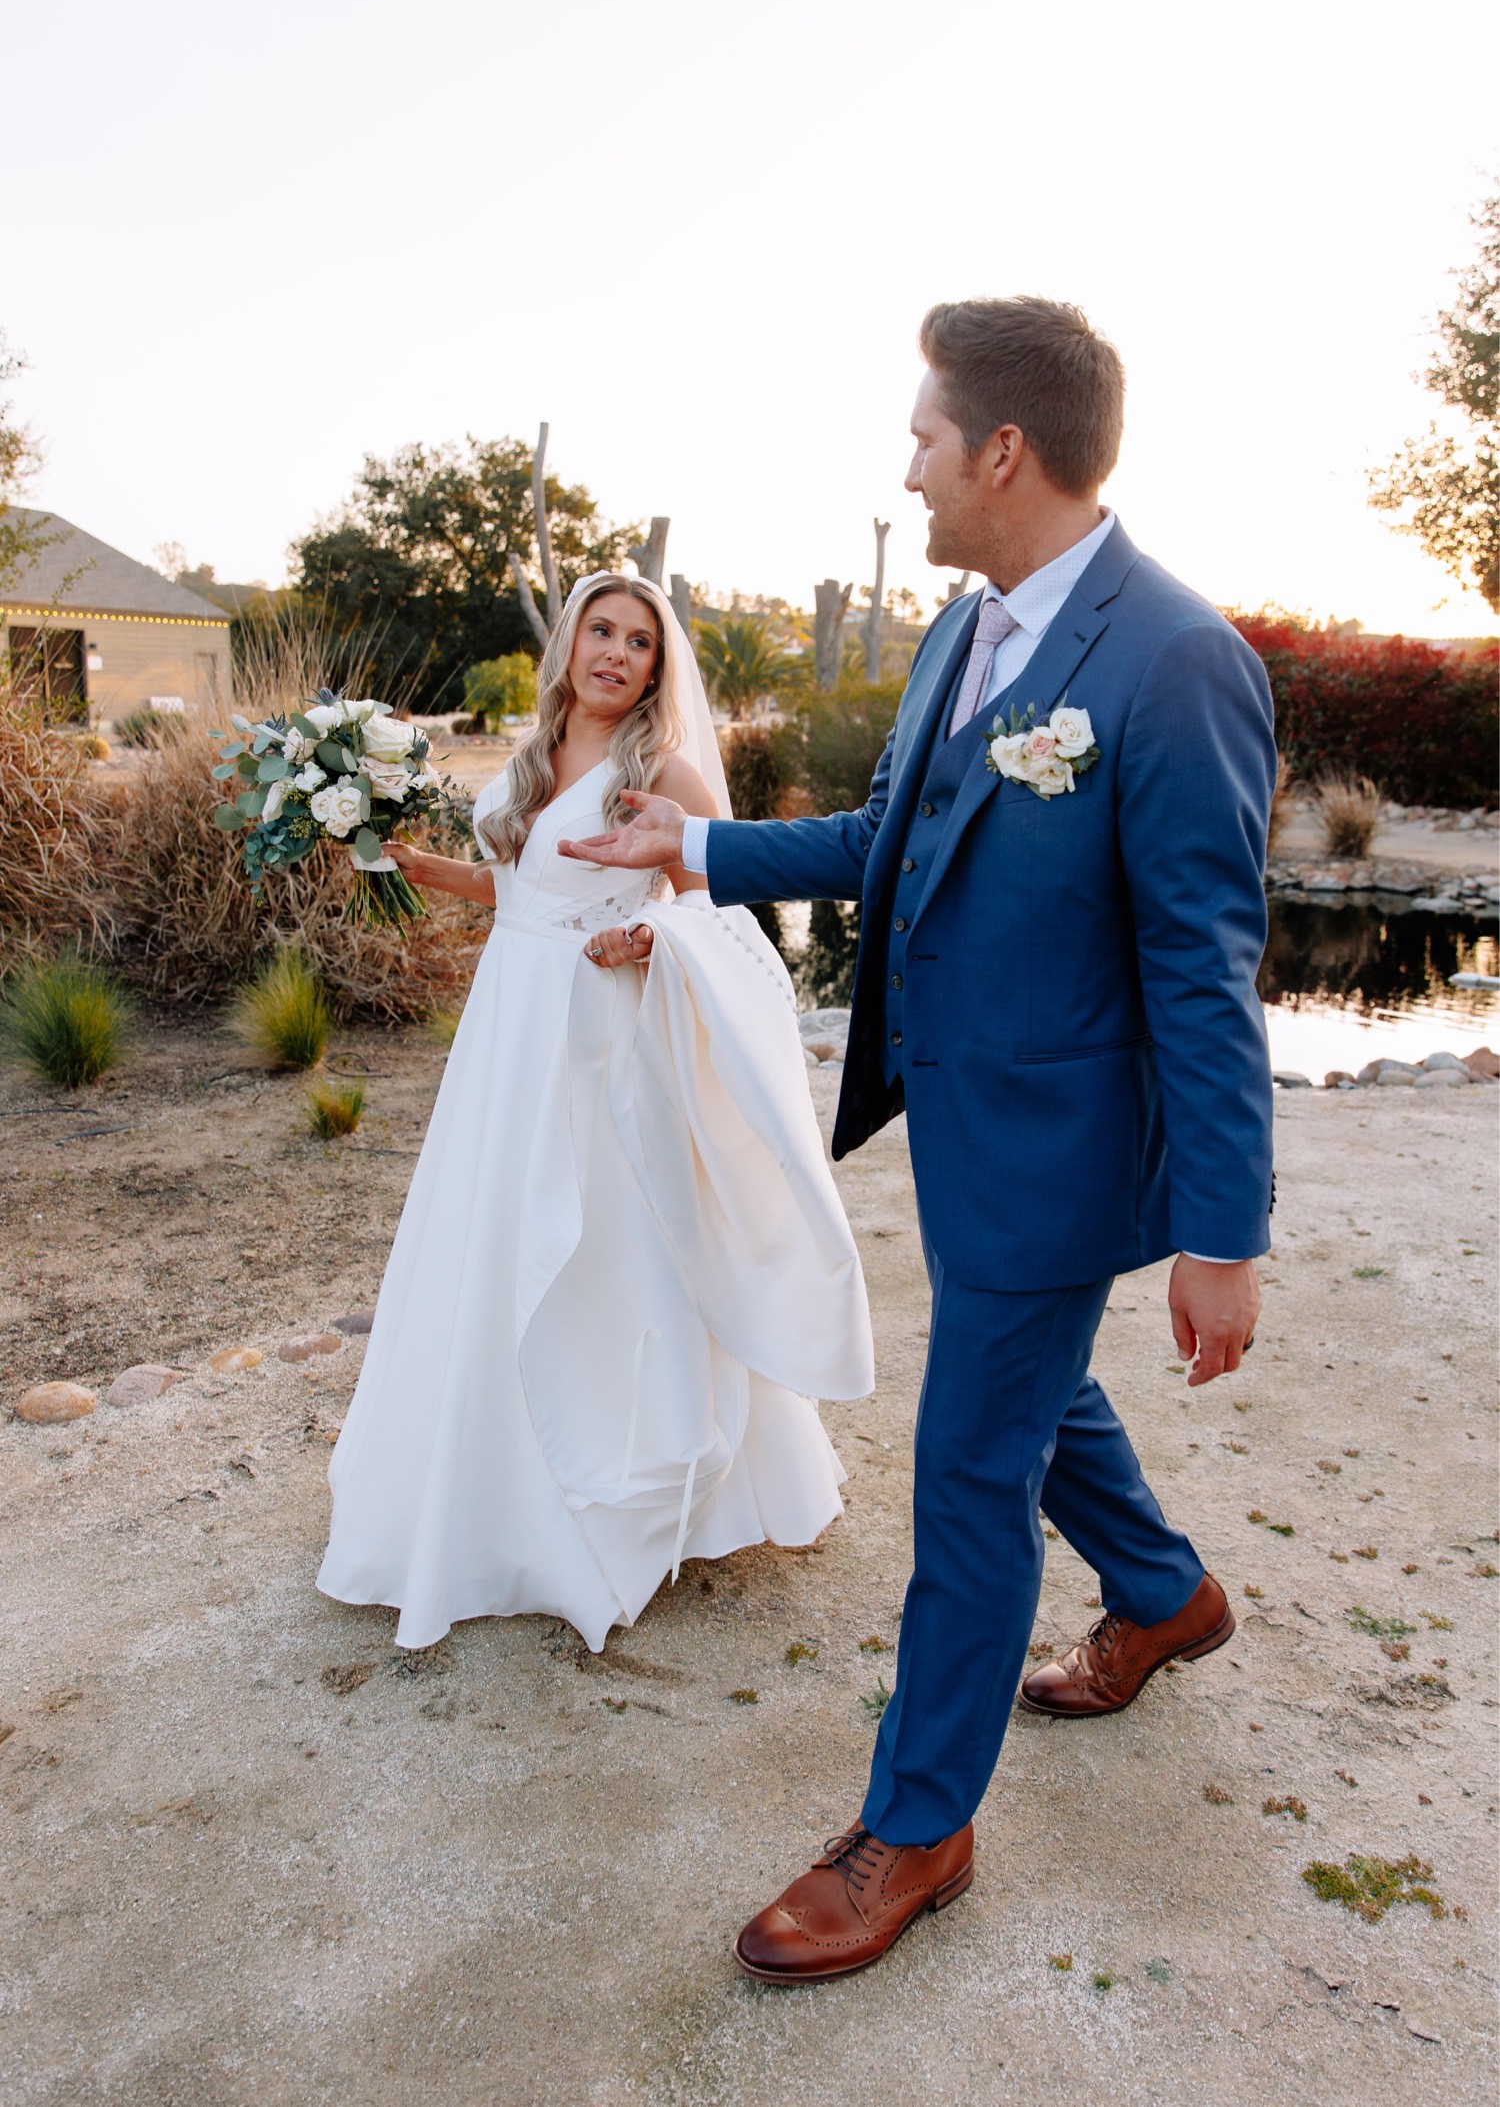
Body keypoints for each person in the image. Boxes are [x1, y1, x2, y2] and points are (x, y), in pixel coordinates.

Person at [561, 298, 1277, 1983]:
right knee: (1029, 1390)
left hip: (1064, 1148)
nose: (909, 465)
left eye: (923, 439)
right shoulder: (966, 638)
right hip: (957, 1120)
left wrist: (1223, 1233)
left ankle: (921, 1822)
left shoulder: (1179, 660)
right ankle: (1166, 1592)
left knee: (969, 1468)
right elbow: (902, 835)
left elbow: (1205, 966)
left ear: (1002, 450)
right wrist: (708, 852)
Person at [318, 572, 874, 1656]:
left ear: (660, 670)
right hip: (505, 1029)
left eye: (640, 643)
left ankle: (616, 1501)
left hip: (598, 1031)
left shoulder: (658, 771)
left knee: (600, 1249)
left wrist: (645, 939)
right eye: (601, 630)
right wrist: (402, 864)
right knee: (485, 1237)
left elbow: (721, 920)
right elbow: (520, 890)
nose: (616, 653)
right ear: (568, 641)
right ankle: (476, 1494)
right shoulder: (529, 761)